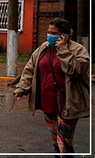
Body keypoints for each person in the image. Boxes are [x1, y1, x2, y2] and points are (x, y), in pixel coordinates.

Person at [14, 18, 89, 155]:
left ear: (65, 35)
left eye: (54, 33)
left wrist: (63, 49)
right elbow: (29, 69)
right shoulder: (43, 48)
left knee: (65, 142)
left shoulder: (78, 50)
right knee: (56, 141)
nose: (50, 35)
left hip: (68, 103)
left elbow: (76, 69)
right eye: (48, 32)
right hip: (48, 102)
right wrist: (22, 88)